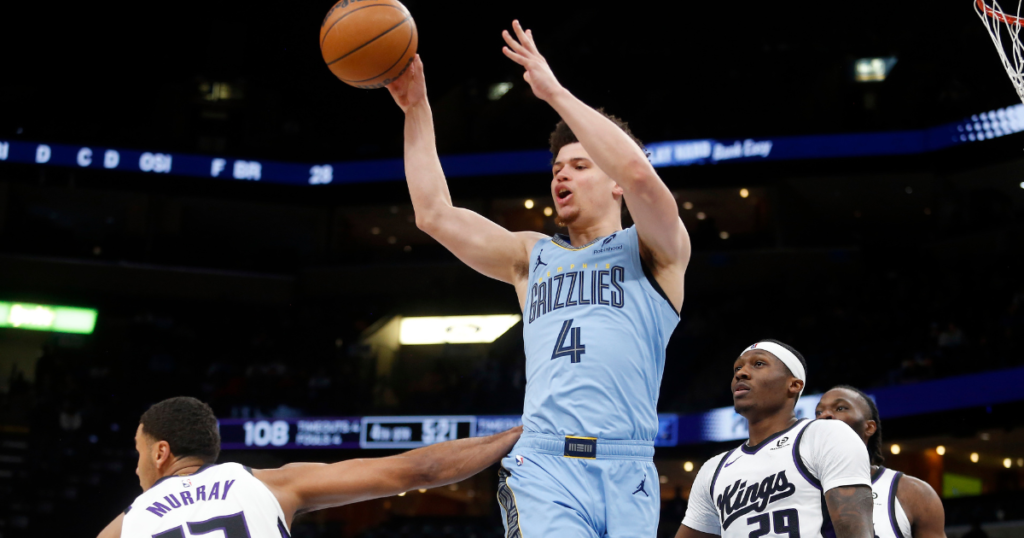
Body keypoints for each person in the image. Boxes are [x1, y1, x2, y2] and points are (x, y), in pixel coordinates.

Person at [386, 20, 690, 538]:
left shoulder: (655, 249)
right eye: (556, 167)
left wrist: (553, 92)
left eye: (579, 164)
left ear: (614, 181)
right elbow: (434, 214)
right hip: (546, 464)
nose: (560, 175)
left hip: (631, 468)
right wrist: (417, 107)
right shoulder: (531, 256)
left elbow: (640, 173)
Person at [96, 396, 521, 538]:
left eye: (137, 451)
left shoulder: (125, 525)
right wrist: (515, 434)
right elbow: (419, 470)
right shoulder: (269, 484)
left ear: (160, 453)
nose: (136, 470)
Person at [675, 341, 874, 538]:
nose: (740, 373)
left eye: (758, 364)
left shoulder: (824, 435)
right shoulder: (713, 469)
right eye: (737, 367)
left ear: (794, 385)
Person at [816, 385, 947, 538]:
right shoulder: (797, 486)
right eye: (818, 412)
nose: (824, 415)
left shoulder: (914, 493)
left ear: (869, 427)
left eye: (840, 408)